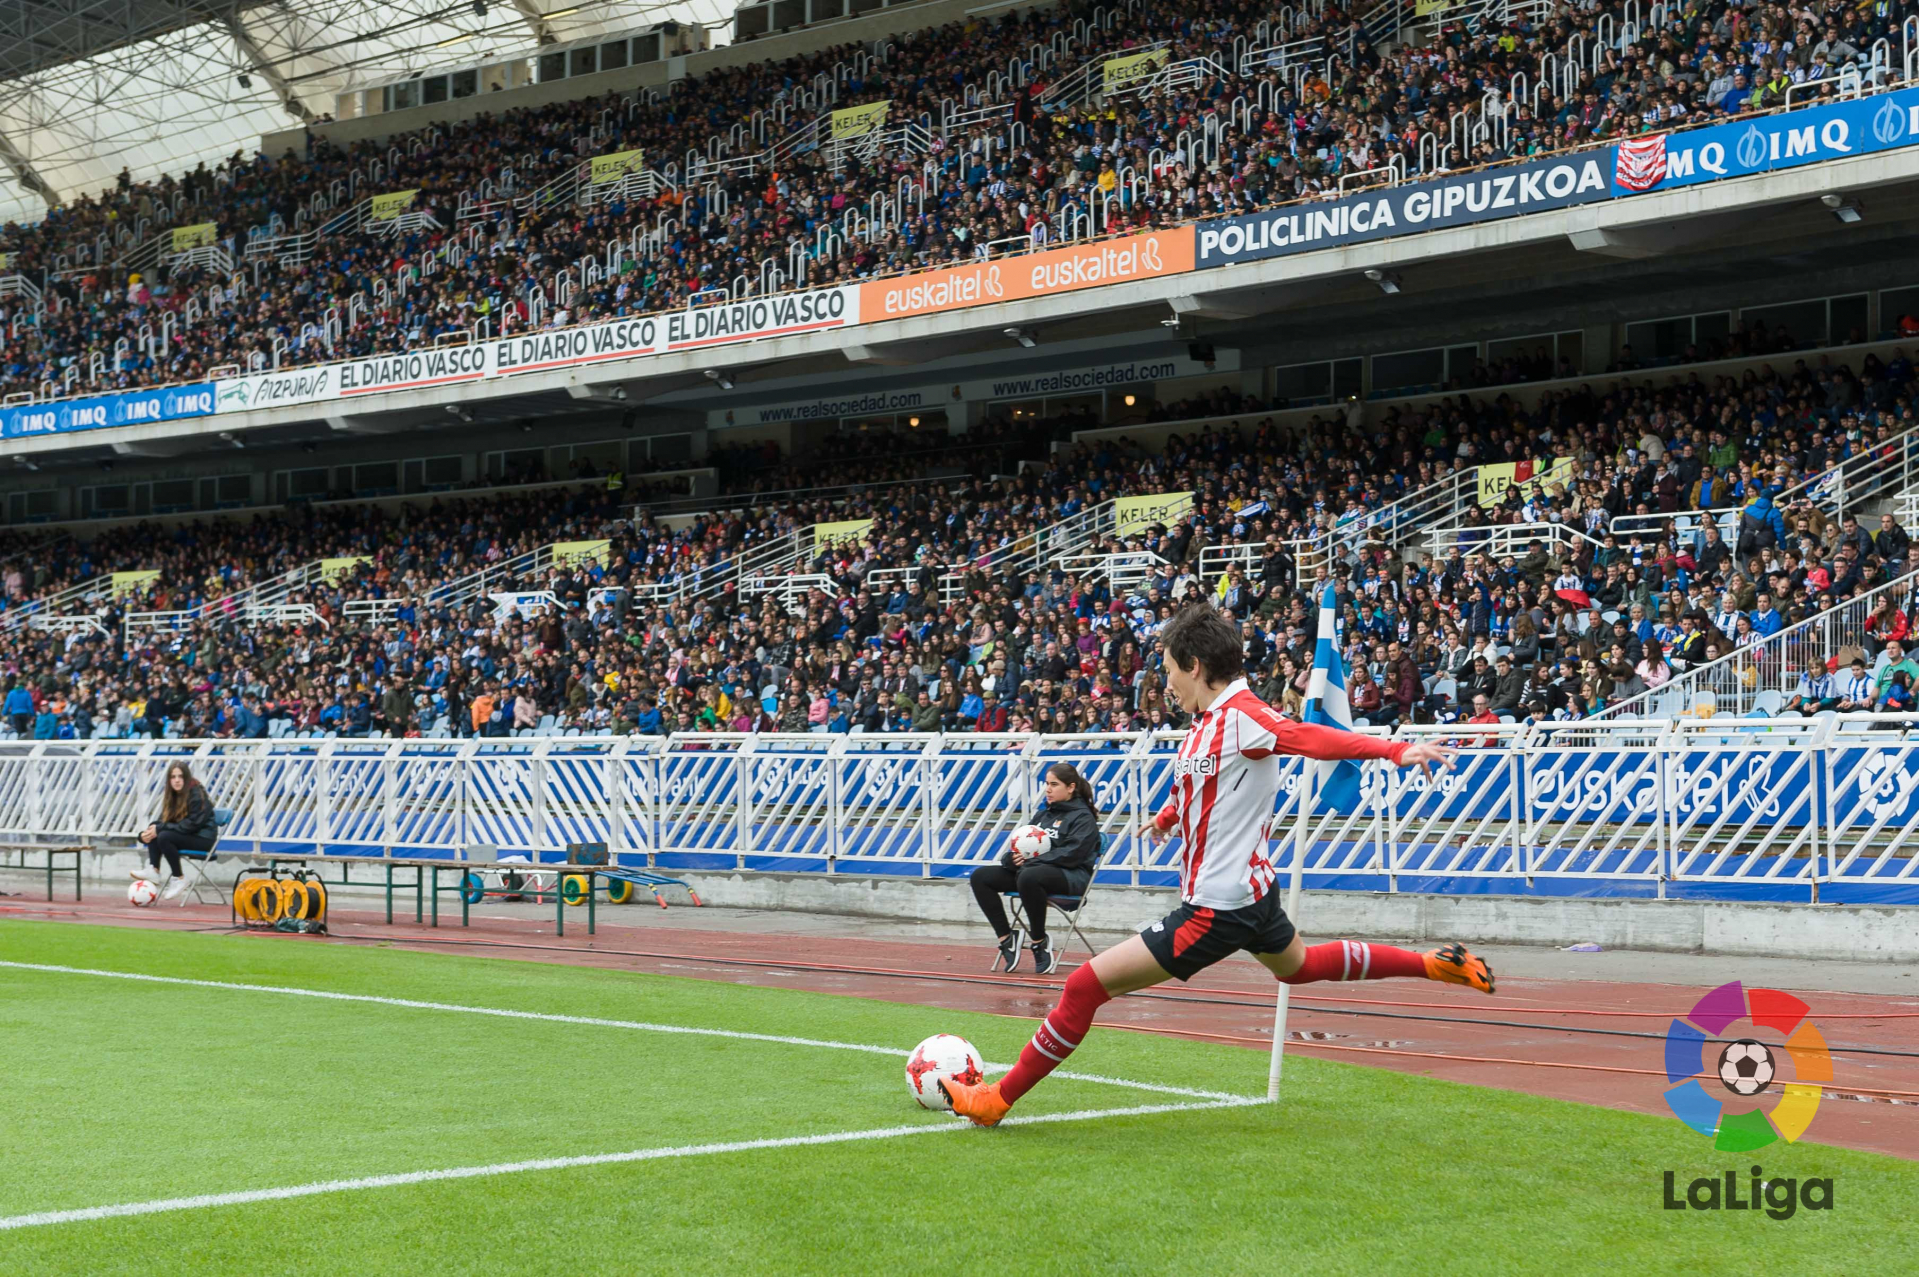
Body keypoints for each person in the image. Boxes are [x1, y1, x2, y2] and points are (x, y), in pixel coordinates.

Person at [940, 603, 1492, 1128]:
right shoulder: (1210, 725)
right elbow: (1203, 786)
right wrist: (1166, 818)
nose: (1167, 683)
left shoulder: (1243, 716)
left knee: (1084, 985)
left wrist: (1392, 750)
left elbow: (1308, 738)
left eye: (1169, 671)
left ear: (1195, 666)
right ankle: (1434, 964)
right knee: (1298, 967)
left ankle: (995, 1099)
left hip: (1214, 908)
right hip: (1254, 895)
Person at [969, 763, 1104, 975]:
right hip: (1032, 875)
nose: (1047, 789)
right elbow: (1020, 846)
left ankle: (1039, 941)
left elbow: (1073, 854)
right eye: (1046, 784)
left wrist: (1031, 863)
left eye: (1053, 784)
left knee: (1029, 876)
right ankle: (1007, 939)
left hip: (1071, 878)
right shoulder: (1044, 815)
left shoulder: (1083, 818)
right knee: (980, 877)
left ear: (1070, 787)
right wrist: (1011, 861)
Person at [134, 761, 218, 899]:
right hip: (188, 835)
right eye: (173, 777)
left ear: (186, 777)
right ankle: (154, 869)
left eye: (180, 776)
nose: (177, 780)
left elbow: (192, 825)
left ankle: (179, 878)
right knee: (157, 828)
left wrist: (160, 828)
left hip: (203, 839)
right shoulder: (173, 795)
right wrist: (143, 836)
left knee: (164, 835)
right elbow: (165, 822)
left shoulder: (197, 793)